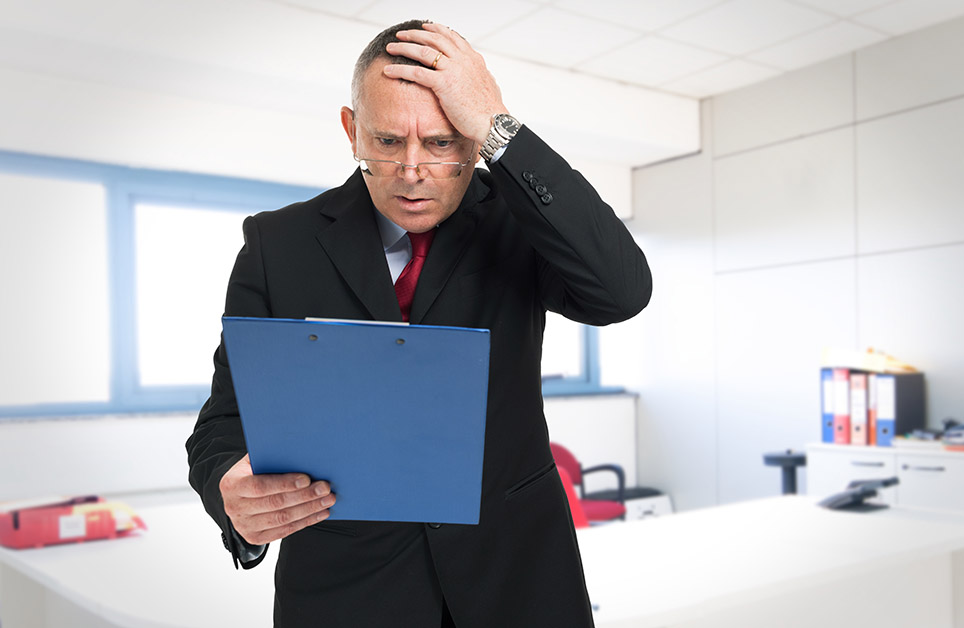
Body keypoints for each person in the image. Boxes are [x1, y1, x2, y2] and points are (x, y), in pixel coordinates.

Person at [186, 19, 652, 628]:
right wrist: (232, 493)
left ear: (473, 139)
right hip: (347, 592)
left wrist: (498, 128)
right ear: (352, 131)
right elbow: (223, 422)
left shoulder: (517, 225)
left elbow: (621, 291)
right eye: (386, 141)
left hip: (518, 581)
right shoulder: (278, 243)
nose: (412, 170)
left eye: (441, 143)